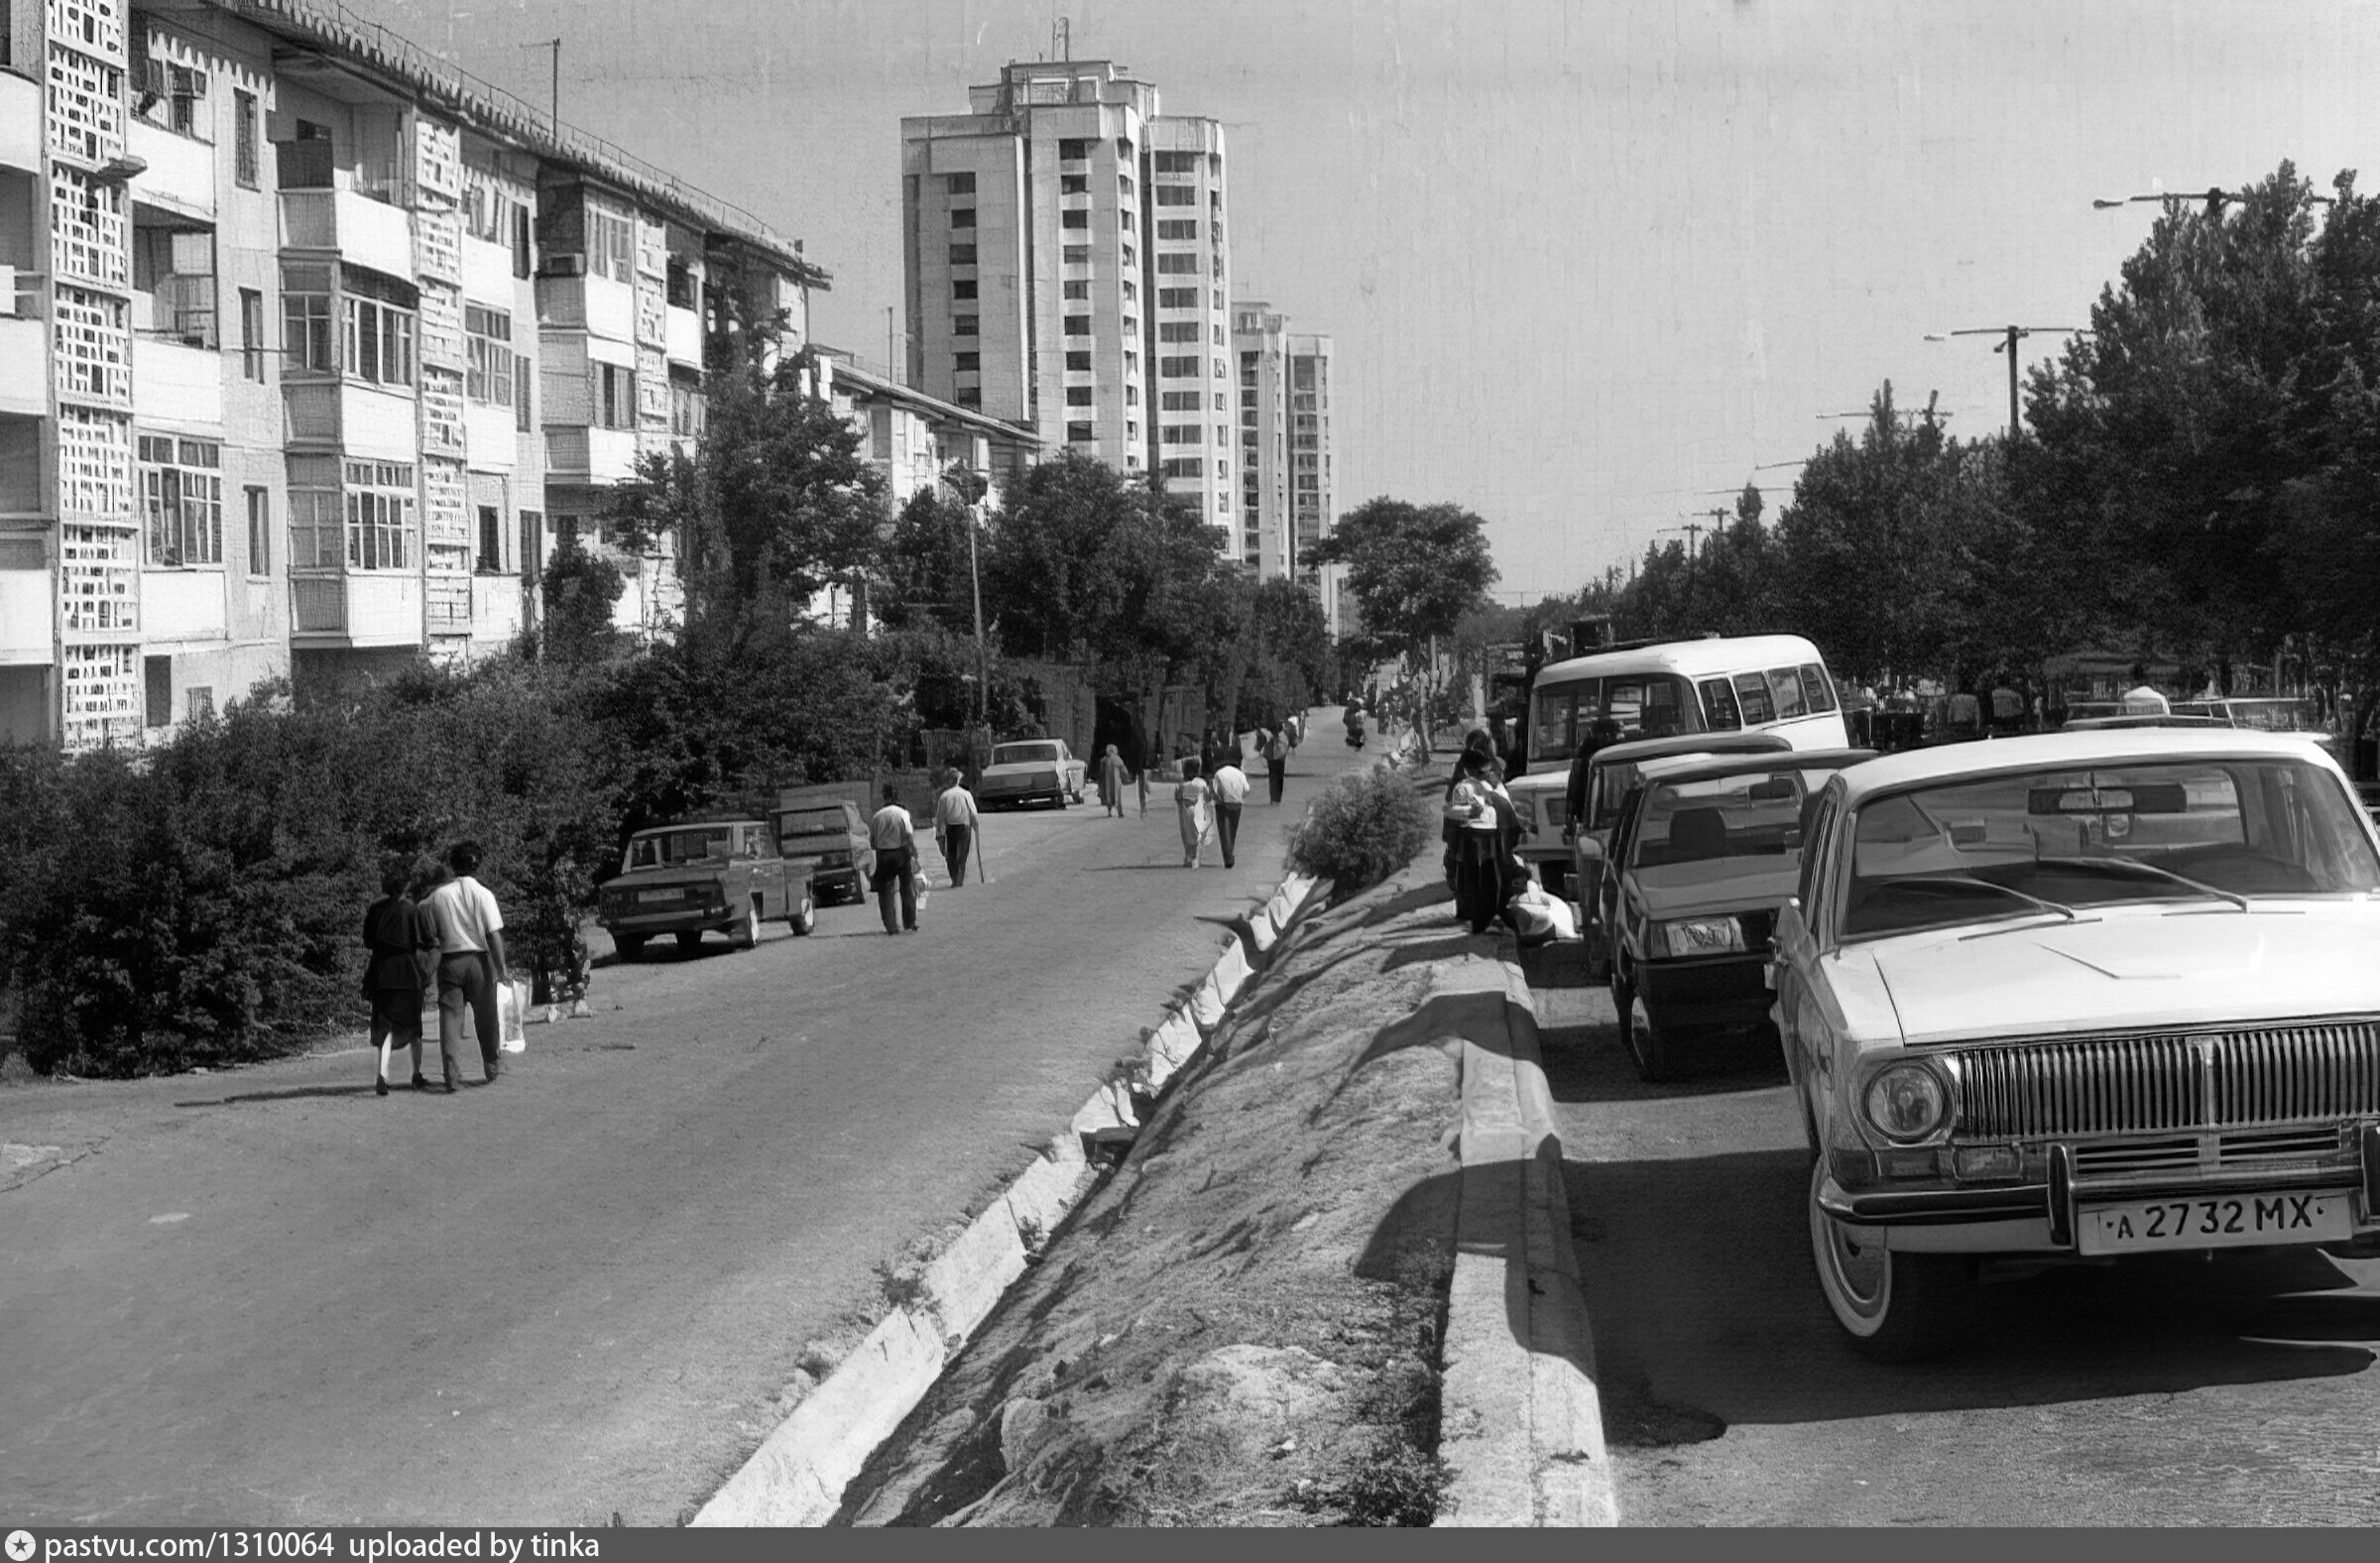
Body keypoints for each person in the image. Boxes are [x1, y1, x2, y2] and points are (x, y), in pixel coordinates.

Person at [426, 840, 510, 1091]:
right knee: (486, 1018)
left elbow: (427, 928)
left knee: (450, 1019)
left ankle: (451, 1075)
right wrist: (502, 969)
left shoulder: (438, 896)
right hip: (479, 962)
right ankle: (491, 1066)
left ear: (452, 866)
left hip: (450, 961)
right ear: (478, 865)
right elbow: (494, 934)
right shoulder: (484, 894)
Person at [362, 858, 439, 1096]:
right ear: (405, 886)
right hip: (408, 972)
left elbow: (367, 941)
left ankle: (382, 1076)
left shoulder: (375, 909)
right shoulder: (412, 909)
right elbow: (428, 940)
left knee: (384, 1025)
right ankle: (416, 1074)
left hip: (382, 971)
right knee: (413, 1025)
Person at [1447, 749, 1522, 935]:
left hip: (1475, 864)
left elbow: (1452, 833)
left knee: (1477, 885)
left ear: (1466, 771)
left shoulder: (1463, 797)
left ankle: (1482, 921)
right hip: (1502, 873)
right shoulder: (1502, 800)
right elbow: (1515, 834)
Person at [869, 783, 922, 934]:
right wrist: (913, 852)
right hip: (901, 853)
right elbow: (908, 834)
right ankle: (910, 923)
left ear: (884, 798)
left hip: (884, 854)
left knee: (885, 891)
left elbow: (872, 841)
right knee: (906, 888)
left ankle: (891, 927)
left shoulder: (877, 816)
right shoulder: (902, 813)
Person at [933, 767, 980, 889]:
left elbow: (940, 817)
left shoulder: (945, 796)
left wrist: (940, 834)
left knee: (951, 856)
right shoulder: (966, 794)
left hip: (950, 828)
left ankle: (955, 879)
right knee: (962, 855)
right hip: (964, 827)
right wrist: (976, 826)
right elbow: (973, 813)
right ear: (958, 780)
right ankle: (959, 880)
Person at [1210, 751, 1250, 868]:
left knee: (1224, 832)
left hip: (1222, 804)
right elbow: (1246, 789)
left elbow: (1215, 791)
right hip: (1237, 804)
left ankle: (1228, 857)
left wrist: (1218, 799)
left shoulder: (1219, 774)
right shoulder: (1240, 774)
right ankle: (1229, 853)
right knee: (1232, 830)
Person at [1174, 757, 1213, 869]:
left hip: (1186, 811)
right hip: (1199, 812)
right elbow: (1207, 797)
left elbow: (1177, 798)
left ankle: (1188, 856)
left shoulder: (1181, 785)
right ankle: (1196, 858)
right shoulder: (1201, 783)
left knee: (1186, 835)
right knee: (1198, 835)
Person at [1098, 743, 1130, 818]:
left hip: (1107, 781)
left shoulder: (1104, 760)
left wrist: (1100, 781)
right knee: (1117, 796)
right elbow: (1123, 769)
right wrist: (1126, 775)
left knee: (1108, 795)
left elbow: (1101, 772)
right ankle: (1119, 812)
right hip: (1116, 781)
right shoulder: (1117, 759)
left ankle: (1109, 812)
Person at [1262, 721, 1290, 803]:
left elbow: (1284, 748)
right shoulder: (1272, 737)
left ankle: (1276, 797)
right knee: (1275, 777)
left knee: (1275, 777)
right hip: (1275, 759)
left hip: (1277, 759)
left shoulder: (1281, 737)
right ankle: (1275, 797)